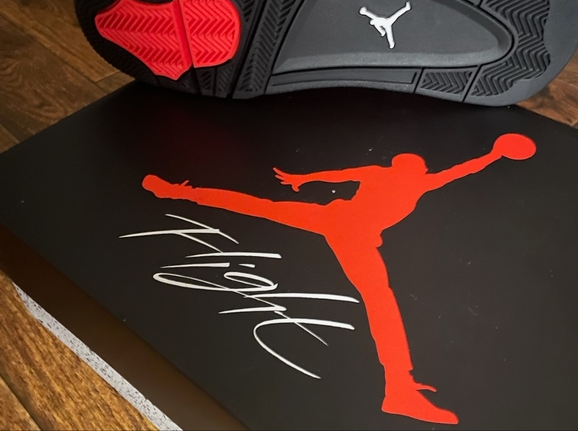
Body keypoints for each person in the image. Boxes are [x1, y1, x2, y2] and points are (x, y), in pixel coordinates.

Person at [143, 133, 536, 425]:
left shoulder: (408, 178)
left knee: (260, 207)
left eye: (412, 164)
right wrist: (303, 178)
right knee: (379, 300)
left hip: (339, 222)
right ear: (406, 166)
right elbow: (347, 172)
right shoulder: (407, 178)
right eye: (408, 163)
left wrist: (303, 179)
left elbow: (455, 170)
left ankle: (176, 193)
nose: (411, 167)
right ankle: (399, 387)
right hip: (349, 230)